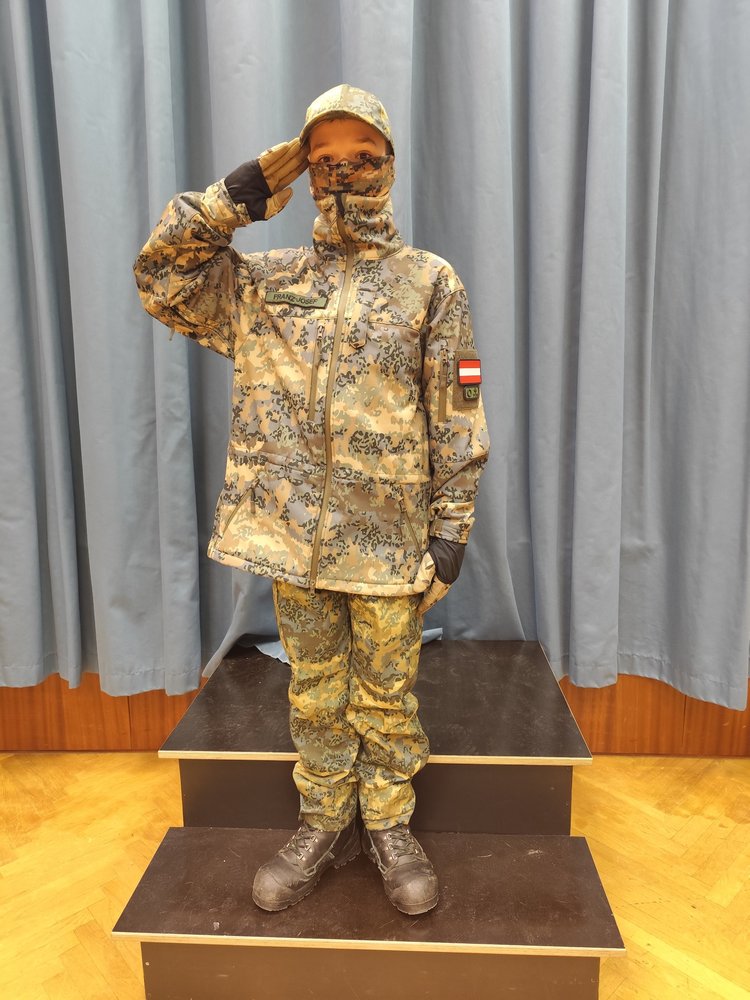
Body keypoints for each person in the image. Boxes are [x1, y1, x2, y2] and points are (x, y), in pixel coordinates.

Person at [134, 84, 489, 915]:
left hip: (390, 542)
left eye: (362, 157)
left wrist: (451, 529)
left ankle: (389, 823)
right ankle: (325, 819)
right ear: (304, 169)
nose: (343, 173)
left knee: (387, 694)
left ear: (390, 164)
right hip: (291, 538)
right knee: (315, 690)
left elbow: (457, 408)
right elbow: (162, 278)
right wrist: (232, 200)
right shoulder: (267, 284)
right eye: (324, 159)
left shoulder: (429, 283)